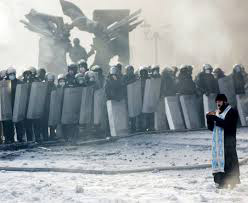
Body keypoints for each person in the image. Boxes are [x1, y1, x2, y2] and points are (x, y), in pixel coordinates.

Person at [206, 94, 240, 189]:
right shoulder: (217, 112)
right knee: (219, 161)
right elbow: (212, 128)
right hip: (218, 143)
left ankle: (231, 181)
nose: (218, 103)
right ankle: (220, 181)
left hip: (229, 140)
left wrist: (215, 119)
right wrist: (209, 119)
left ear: (225, 102)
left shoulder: (231, 111)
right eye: (217, 102)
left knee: (229, 161)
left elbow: (227, 125)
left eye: (220, 101)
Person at [2, 67, 25, 143]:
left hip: (17, 104)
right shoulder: (4, 83)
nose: (12, 75)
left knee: (19, 122)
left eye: (13, 74)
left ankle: (20, 137)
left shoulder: (19, 82)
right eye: (10, 74)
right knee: (8, 123)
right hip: (8, 104)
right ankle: (10, 138)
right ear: (7, 75)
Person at [41, 73, 57, 141]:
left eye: (51, 79)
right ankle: (45, 136)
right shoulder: (43, 86)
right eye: (49, 79)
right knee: (44, 123)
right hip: (45, 107)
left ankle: (52, 135)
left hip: (52, 106)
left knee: (52, 122)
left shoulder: (54, 86)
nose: (50, 80)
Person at [123, 65, 138, 133]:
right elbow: (123, 85)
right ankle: (128, 127)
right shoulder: (124, 77)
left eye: (131, 70)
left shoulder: (135, 77)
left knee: (134, 112)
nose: (130, 71)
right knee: (127, 113)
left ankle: (133, 127)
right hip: (126, 97)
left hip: (134, 97)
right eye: (129, 70)